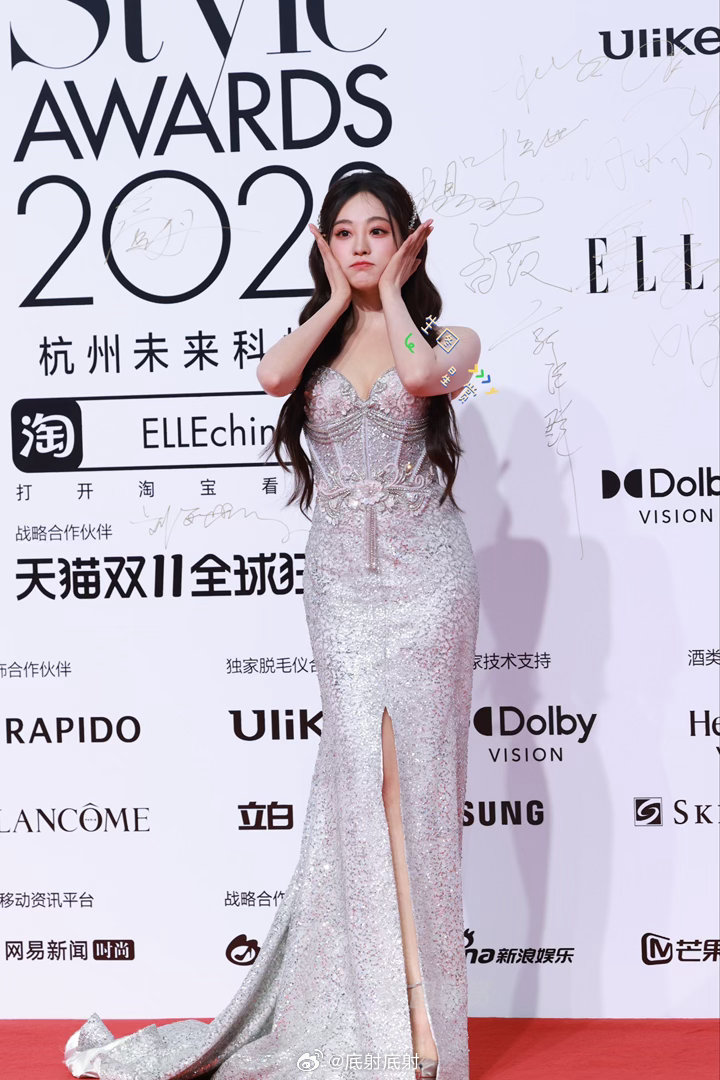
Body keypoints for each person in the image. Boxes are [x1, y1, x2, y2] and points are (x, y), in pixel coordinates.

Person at [63, 171, 481, 1080]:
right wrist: (335, 300)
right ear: (324, 244)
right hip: (342, 588)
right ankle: (374, 1011)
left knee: (414, 789)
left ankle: (422, 1019)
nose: (362, 246)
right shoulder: (313, 341)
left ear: (409, 241)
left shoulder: (451, 340)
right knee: (365, 785)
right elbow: (272, 377)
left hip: (432, 584)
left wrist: (395, 291)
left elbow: (420, 376)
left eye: (379, 231)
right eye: (345, 232)